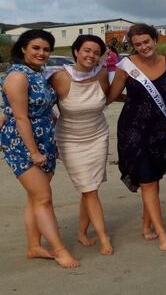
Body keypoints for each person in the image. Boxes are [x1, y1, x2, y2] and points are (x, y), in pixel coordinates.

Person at [1, 29, 80, 268]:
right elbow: (21, 118)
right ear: (23, 48)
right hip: (22, 142)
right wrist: (34, 152)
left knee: (35, 197)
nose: (42, 53)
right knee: (44, 198)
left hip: (45, 138)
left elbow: (45, 107)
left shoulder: (38, 73)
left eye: (46, 49)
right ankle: (59, 250)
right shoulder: (17, 76)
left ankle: (34, 246)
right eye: (36, 48)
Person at [108, 23, 166, 251]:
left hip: (160, 129)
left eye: (146, 42)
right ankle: (161, 234)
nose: (143, 47)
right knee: (147, 181)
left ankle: (145, 224)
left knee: (154, 179)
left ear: (155, 40)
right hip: (133, 130)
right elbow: (110, 96)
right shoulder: (126, 67)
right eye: (137, 44)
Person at [50, 35, 113, 254]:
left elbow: (107, 99)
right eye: (87, 50)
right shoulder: (59, 76)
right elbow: (38, 102)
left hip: (98, 135)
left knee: (91, 187)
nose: (91, 55)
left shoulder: (103, 74)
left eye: (96, 52)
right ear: (76, 51)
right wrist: (53, 120)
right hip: (70, 139)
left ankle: (82, 232)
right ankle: (104, 237)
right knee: (89, 188)